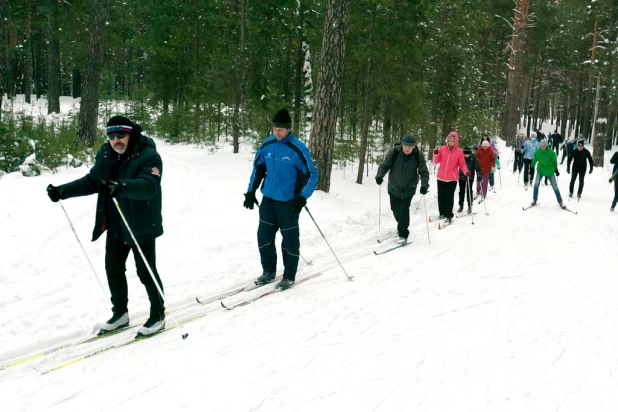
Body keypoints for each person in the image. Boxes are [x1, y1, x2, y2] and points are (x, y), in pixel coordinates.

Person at [46, 115, 166, 336]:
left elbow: (148, 186)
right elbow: (93, 181)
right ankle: (120, 313)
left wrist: (120, 186)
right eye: (111, 135)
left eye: (121, 135)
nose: (116, 140)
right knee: (113, 269)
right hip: (116, 223)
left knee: (145, 272)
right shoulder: (105, 154)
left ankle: (158, 314)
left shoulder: (148, 155)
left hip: (140, 224)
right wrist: (63, 191)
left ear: (130, 134)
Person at [244, 108, 318, 290]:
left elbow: (312, 175)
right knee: (264, 237)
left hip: (288, 203)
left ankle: (289, 275)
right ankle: (269, 271)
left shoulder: (297, 148)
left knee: (289, 240)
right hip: (268, 200)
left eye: (281, 129)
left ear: (288, 129)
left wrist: (302, 197)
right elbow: (258, 169)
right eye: (275, 128)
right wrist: (251, 191)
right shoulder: (267, 144)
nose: (277, 132)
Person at [375, 134, 430, 244]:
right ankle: (401, 226)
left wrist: (424, 185)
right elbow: (385, 165)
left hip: (409, 188)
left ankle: (403, 234)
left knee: (404, 210)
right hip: (393, 187)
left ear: (414, 147)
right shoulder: (395, 152)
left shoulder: (417, 155)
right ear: (402, 145)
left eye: (410, 147)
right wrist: (379, 176)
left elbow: (423, 171)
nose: (407, 149)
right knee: (395, 209)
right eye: (405, 146)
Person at [433, 131, 470, 223]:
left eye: (453, 140)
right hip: (441, 177)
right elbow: (436, 161)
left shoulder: (459, 152)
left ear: (456, 141)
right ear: (447, 140)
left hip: (452, 179)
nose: (451, 142)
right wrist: (436, 153)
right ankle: (441, 214)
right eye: (449, 140)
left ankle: (448, 215)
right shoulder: (442, 149)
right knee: (441, 197)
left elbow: (462, 164)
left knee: (449, 198)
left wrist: (466, 171)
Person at [530, 138, 566, 209]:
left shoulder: (551, 153)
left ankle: (560, 202)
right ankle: (534, 199)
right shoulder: (537, 152)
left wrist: (556, 170)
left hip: (549, 171)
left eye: (544, 146)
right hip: (540, 170)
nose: (542, 147)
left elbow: (555, 162)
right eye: (541, 146)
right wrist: (532, 167)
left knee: (555, 186)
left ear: (546, 146)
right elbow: (534, 160)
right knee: (536, 184)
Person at [458, 147, 480, 214]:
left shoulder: (473, 158)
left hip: (470, 176)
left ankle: (469, 205)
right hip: (461, 176)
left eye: (468, 154)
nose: (466, 155)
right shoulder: (461, 157)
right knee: (461, 191)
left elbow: (477, 166)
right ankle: (461, 205)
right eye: (465, 154)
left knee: (469, 191)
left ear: (470, 153)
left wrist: (479, 174)